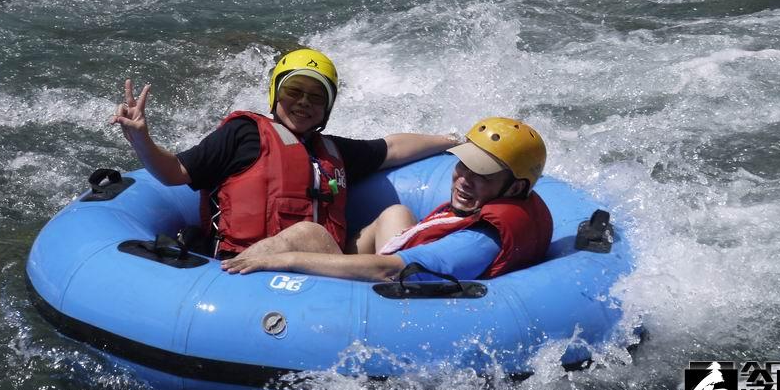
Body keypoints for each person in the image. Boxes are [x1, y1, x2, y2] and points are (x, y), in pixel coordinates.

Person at [111, 47, 460, 258]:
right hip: (254, 265)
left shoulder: (333, 151)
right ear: (276, 94)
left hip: (325, 263)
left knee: (396, 214)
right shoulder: (243, 134)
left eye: (317, 96)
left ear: (328, 108)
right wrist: (142, 139)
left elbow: (394, 147)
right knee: (311, 234)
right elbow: (175, 173)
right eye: (295, 90)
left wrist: (453, 139)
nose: (304, 102)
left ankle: (399, 302)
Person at [222, 117, 553, 281]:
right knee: (396, 211)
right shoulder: (495, 207)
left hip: (387, 304)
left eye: (483, 174)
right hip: (399, 281)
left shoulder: (476, 242)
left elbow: (390, 271)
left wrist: (286, 260)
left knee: (306, 236)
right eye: (463, 166)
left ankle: (223, 280)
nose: (465, 180)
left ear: (514, 188)